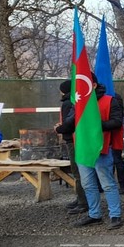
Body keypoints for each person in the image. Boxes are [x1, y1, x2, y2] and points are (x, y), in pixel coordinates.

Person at [73, 73, 124, 230]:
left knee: (107, 183)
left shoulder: (111, 101)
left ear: (93, 85)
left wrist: (95, 124)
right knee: (88, 184)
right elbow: (72, 120)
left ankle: (115, 215)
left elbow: (116, 122)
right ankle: (94, 214)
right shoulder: (79, 102)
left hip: (101, 148)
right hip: (83, 149)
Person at [55, 80, 88, 215]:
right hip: (72, 139)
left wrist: (60, 128)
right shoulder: (70, 102)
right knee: (77, 172)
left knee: (77, 172)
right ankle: (79, 198)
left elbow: (71, 122)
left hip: (73, 140)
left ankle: (83, 202)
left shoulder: (68, 103)